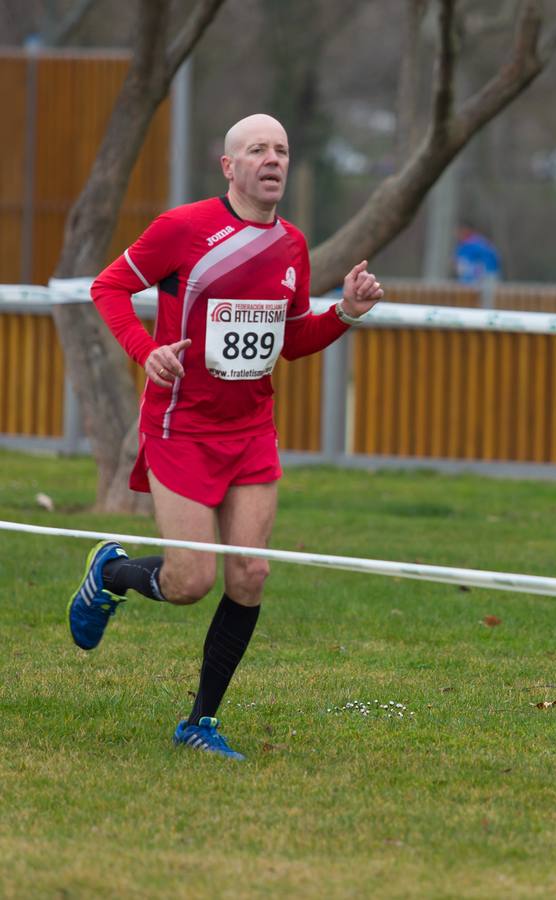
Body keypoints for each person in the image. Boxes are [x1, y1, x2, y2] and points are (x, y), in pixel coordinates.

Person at [67, 113, 384, 760]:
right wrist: (146, 350)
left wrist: (345, 312)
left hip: (250, 431)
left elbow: (291, 341)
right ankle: (113, 572)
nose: (273, 159)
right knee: (189, 582)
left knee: (251, 574)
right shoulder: (183, 230)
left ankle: (199, 722)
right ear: (229, 166)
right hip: (181, 427)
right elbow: (110, 287)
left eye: (283, 150)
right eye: (258, 150)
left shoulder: (292, 245)